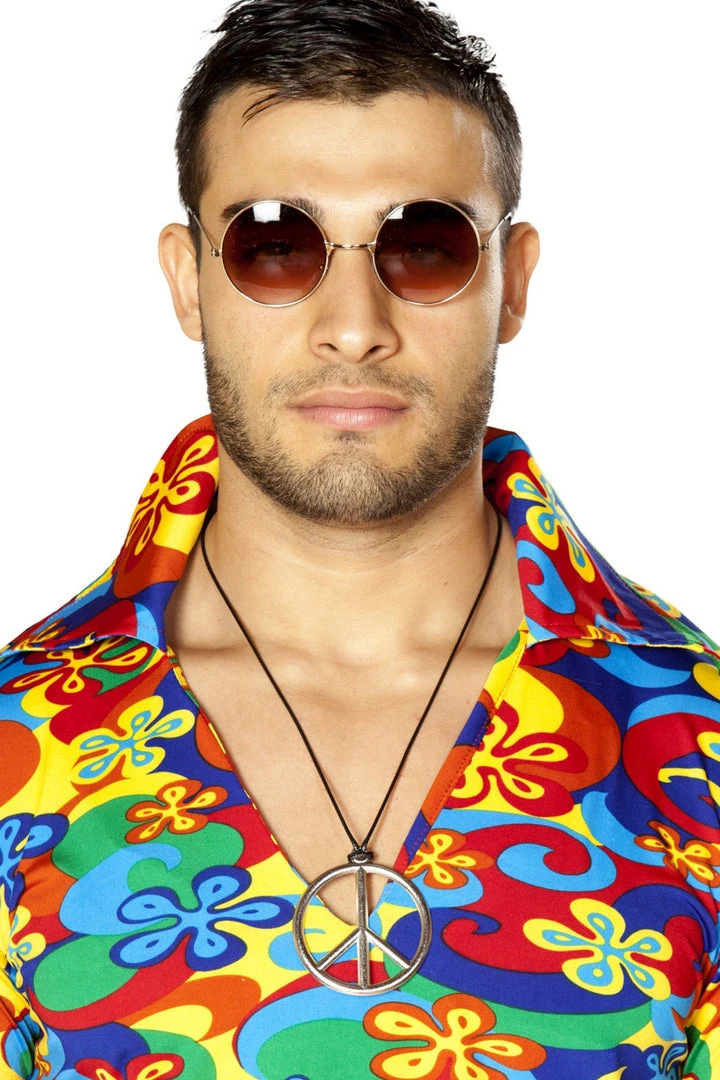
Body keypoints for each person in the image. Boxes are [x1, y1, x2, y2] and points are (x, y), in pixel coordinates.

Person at [1, 1, 718, 1077]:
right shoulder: (17, 745)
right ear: (188, 280)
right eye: (274, 244)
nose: (353, 324)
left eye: (424, 246)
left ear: (512, 282)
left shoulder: (698, 742)